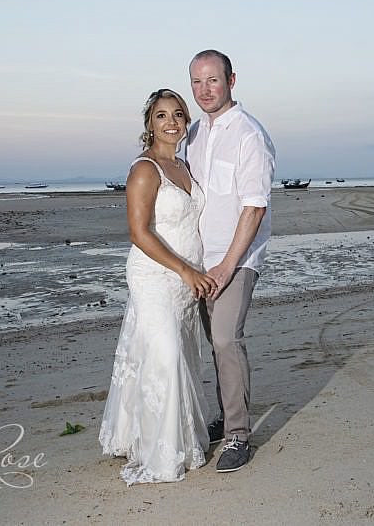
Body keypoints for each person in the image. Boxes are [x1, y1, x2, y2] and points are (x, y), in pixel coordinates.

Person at [99, 88, 217, 484]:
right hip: (155, 275)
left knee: (181, 355)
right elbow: (139, 232)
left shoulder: (185, 166)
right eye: (162, 115)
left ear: (186, 122)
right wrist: (185, 271)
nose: (172, 122)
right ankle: (161, 452)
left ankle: (170, 437)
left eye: (179, 115)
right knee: (166, 356)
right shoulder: (145, 170)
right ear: (150, 124)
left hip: (189, 279)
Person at [186, 49, 276, 473]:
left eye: (213, 81)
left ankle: (239, 435)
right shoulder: (193, 134)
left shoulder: (249, 135)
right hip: (199, 259)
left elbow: (254, 208)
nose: (205, 90)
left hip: (237, 258)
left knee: (225, 339)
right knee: (213, 343)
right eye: (197, 82)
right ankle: (227, 414)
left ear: (231, 81)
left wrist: (227, 266)